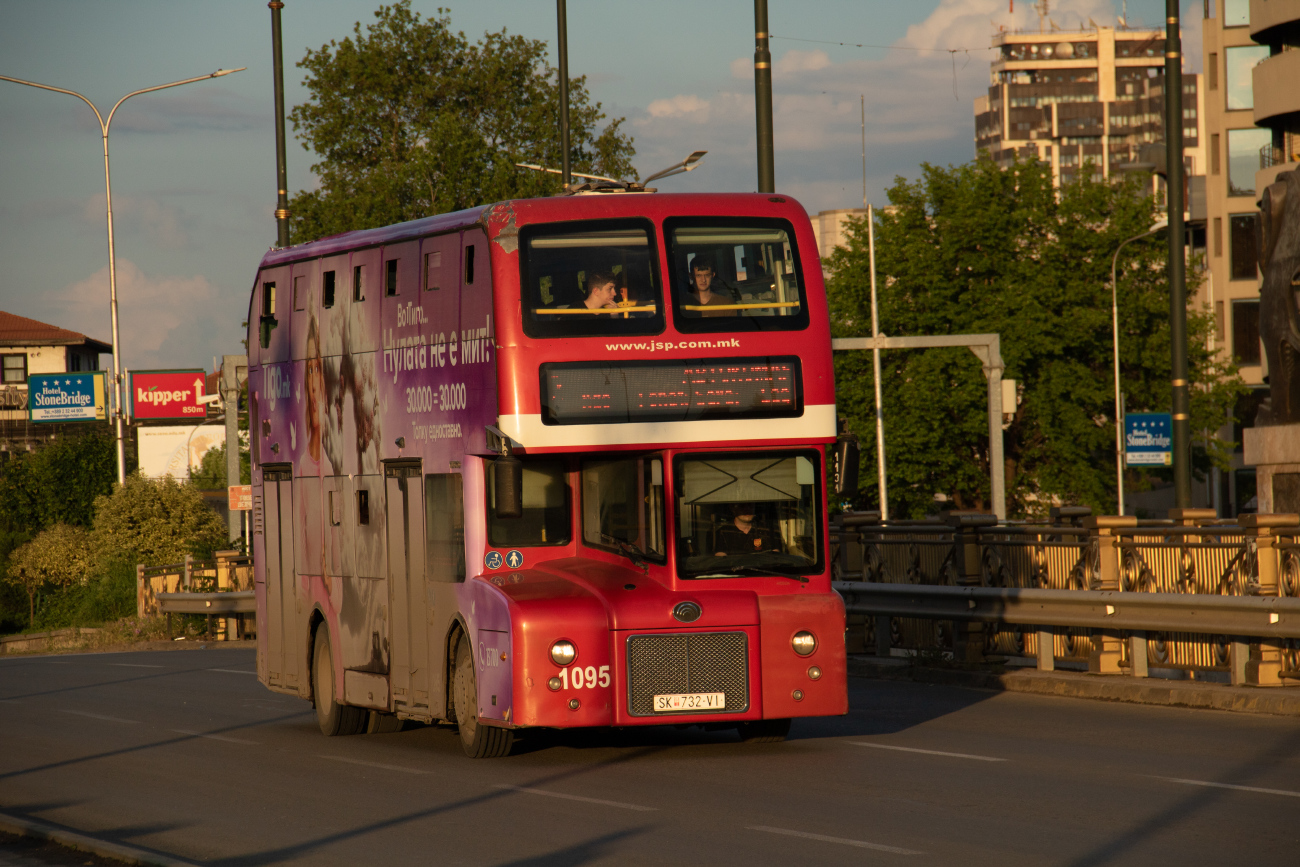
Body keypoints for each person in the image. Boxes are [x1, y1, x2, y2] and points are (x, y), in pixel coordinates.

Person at [715, 503, 783, 556]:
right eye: (742, 506)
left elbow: (775, 558)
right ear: (732, 508)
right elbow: (721, 562)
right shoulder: (722, 533)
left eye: (750, 505)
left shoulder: (765, 531)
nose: (747, 509)